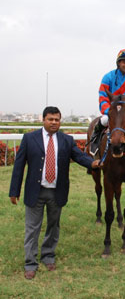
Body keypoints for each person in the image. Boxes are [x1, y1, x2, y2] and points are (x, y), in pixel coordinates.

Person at [9, 106, 100, 280]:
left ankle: (48, 256)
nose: (53, 122)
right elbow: (19, 166)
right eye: (50, 119)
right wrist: (14, 191)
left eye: (57, 119)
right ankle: (30, 263)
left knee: (53, 226)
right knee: (32, 228)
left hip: (57, 191)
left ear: (60, 121)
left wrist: (93, 164)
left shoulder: (66, 140)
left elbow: (79, 156)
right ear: (43, 120)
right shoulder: (29, 139)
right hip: (35, 191)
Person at [90, 49, 125, 155]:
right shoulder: (108, 77)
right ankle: (95, 143)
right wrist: (109, 110)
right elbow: (103, 96)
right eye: (124, 62)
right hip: (112, 110)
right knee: (103, 121)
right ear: (119, 63)